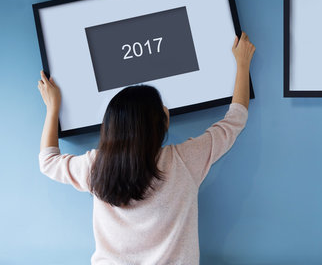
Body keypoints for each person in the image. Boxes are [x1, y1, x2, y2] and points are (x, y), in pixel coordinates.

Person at [37, 32, 255, 264]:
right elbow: (235, 121)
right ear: (161, 123)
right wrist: (242, 64)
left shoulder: (96, 166)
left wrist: (52, 108)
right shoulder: (185, 160)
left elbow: (48, 161)